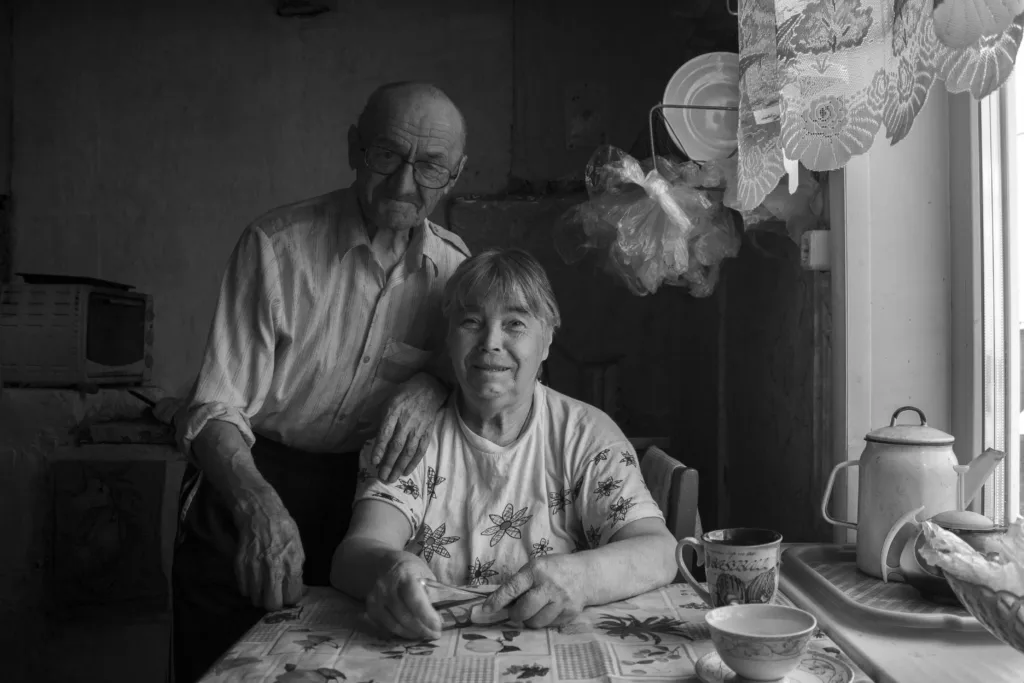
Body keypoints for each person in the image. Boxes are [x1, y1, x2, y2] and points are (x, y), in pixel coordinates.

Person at [172, 81, 471, 682]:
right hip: (252, 481)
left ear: (456, 176)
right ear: (355, 149)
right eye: (387, 155)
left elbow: (473, 374)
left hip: (366, 499)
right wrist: (260, 510)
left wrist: (431, 384)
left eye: (430, 167)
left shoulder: (455, 272)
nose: (405, 185)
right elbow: (215, 408)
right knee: (229, 668)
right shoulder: (276, 248)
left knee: (353, 668)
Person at [331, 248, 678, 640]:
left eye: (514, 323)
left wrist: (582, 576)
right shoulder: (414, 432)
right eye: (471, 321)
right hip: (429, 646)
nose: (490, 341)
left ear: (546, 340)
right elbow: (356, 552)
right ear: (450, 338)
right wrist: (390, 570)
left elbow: (660, 552)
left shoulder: (586, 435)